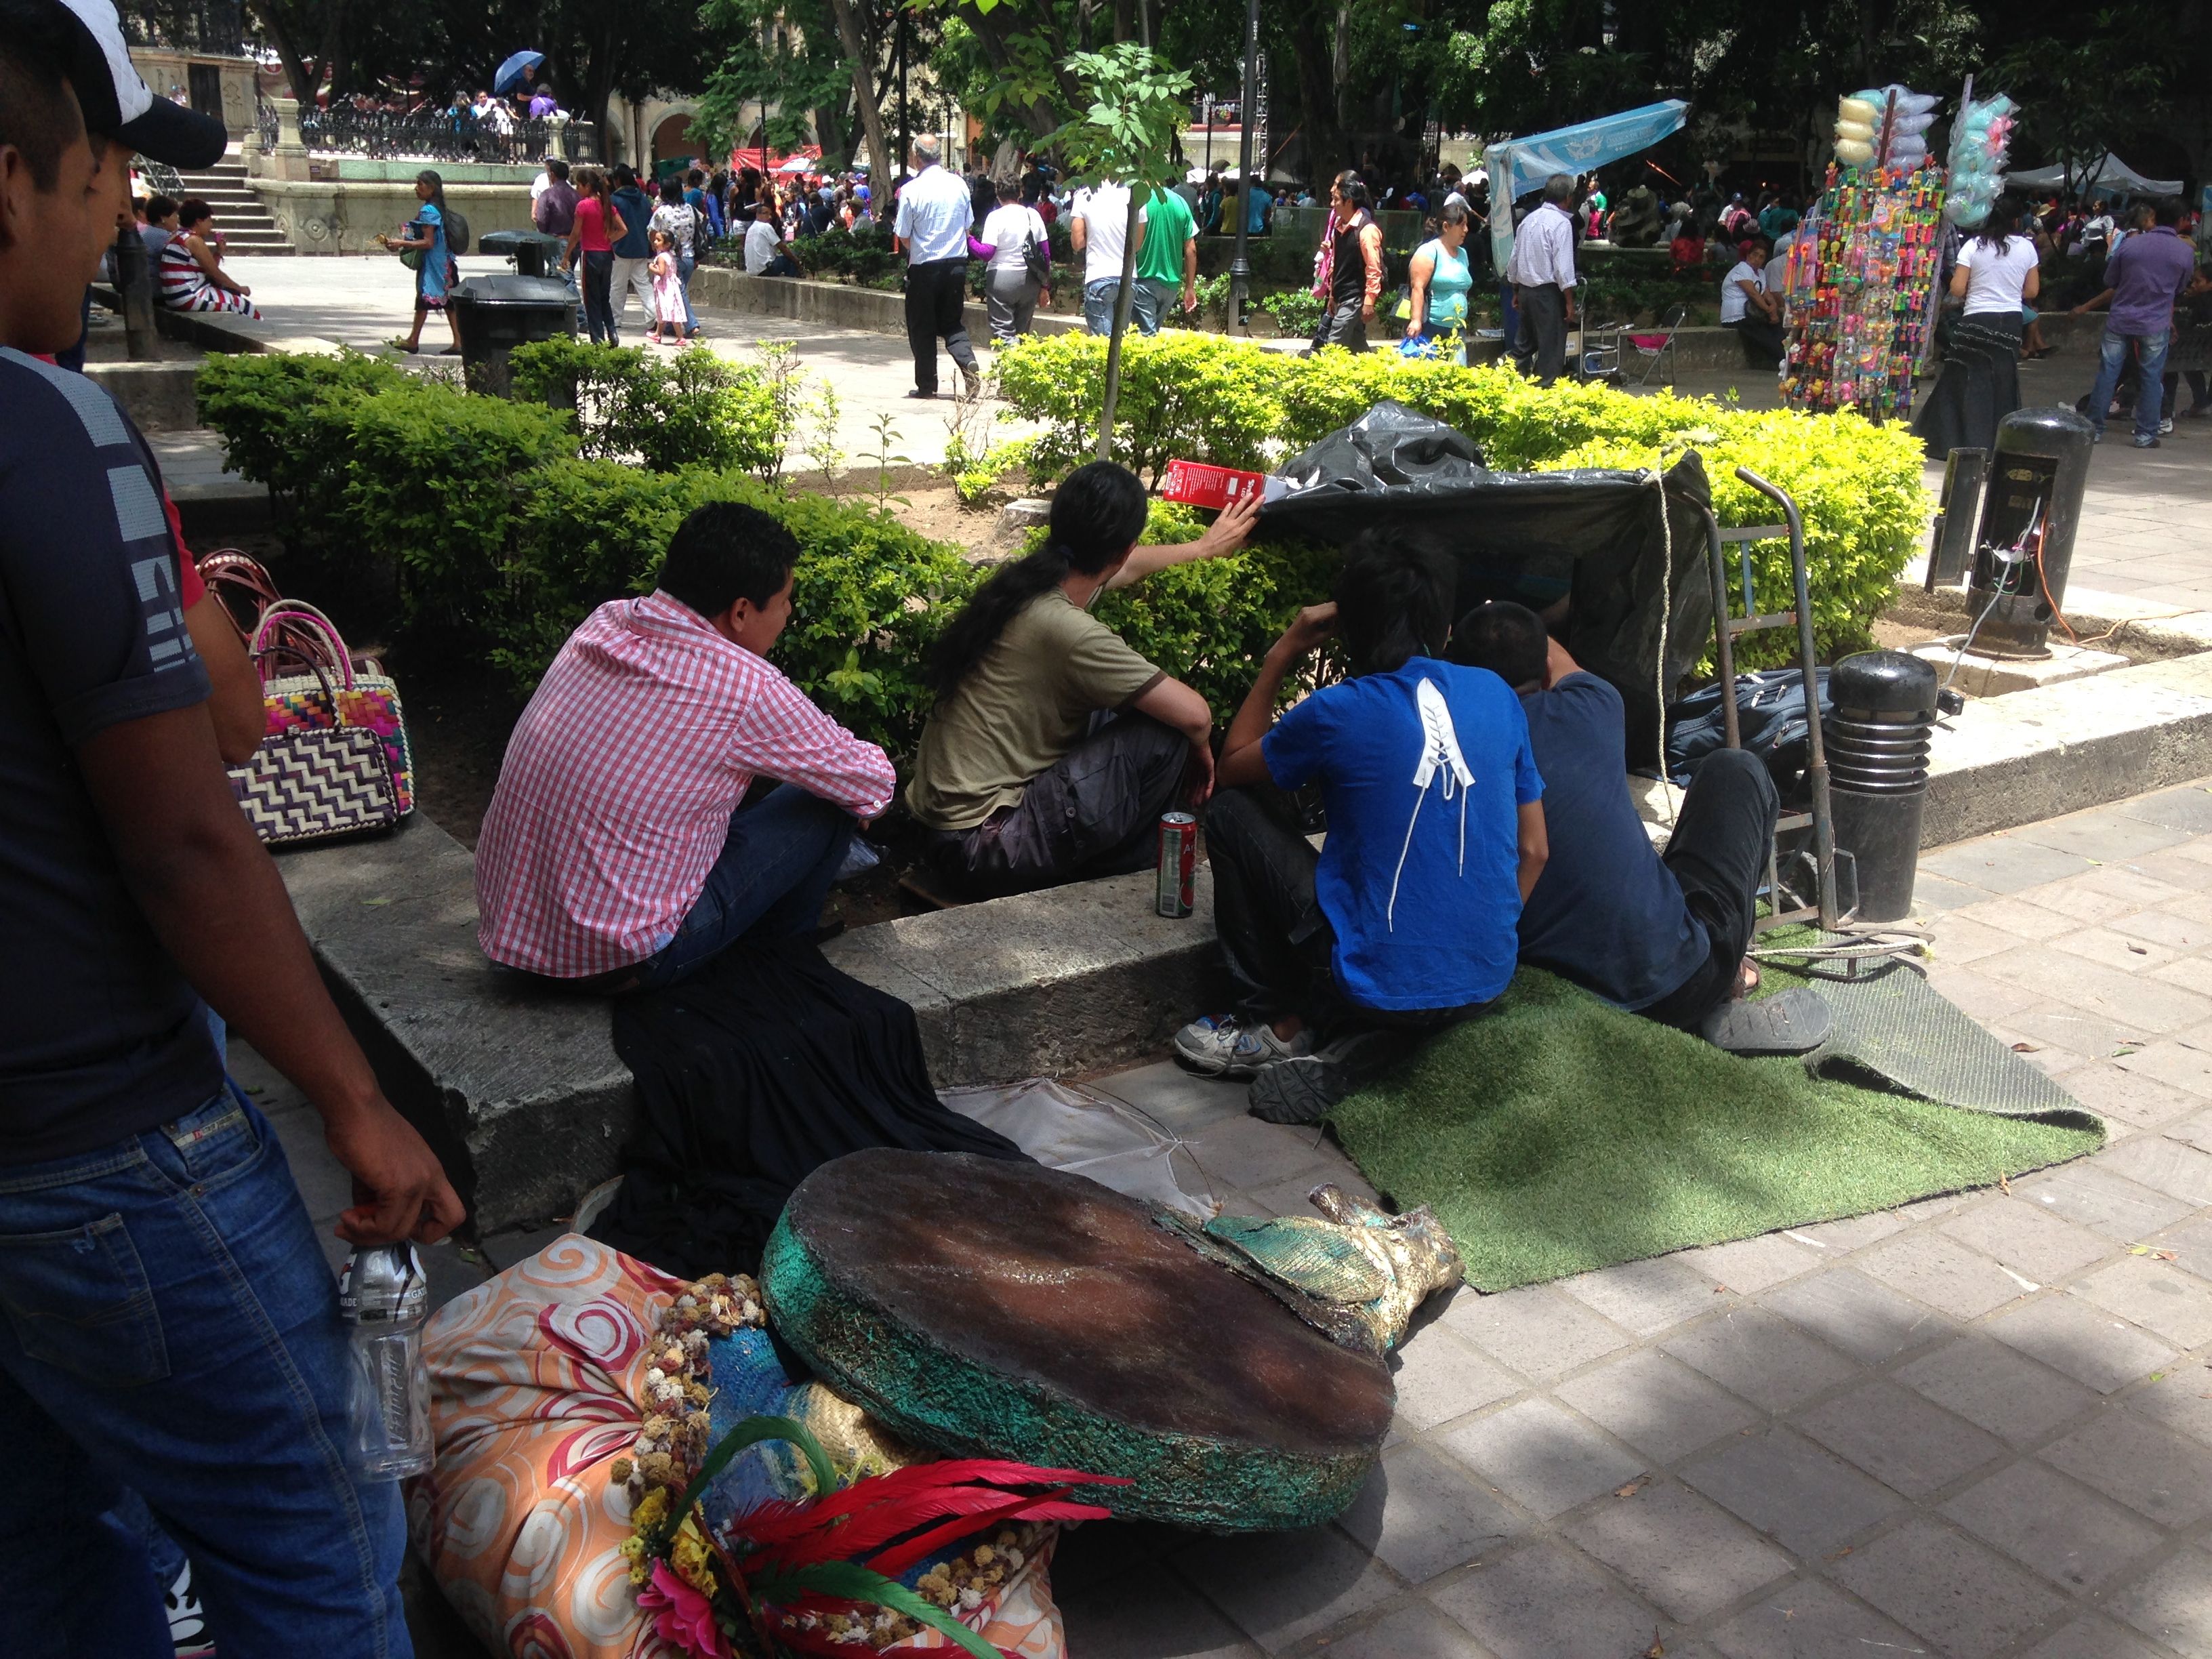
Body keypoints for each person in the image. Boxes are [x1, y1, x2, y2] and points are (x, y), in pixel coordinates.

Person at [0, 8, 466, 1655]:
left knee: (46, 1544)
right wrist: (357, 1101)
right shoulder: (44, 427)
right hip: (103, 1141)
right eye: (105, 179)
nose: (120, 221)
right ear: (12, 184)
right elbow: (193, 821)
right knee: (322, 1534)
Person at [1171, 535, 1548, 1124]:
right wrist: (1475, 944)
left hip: (1372, 983)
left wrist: (1284, 652)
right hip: (1487, 980)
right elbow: (1535, 850)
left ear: (1348, 629)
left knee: (1230, 812)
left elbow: (1233, 765)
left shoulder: (1338, 710)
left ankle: (1279, 1025)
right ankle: (1398, 1037)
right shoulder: (1498, 696)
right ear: (1446, 627)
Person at [476, 501, 896, 989]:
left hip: (511, 934)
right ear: (741, 611)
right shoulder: (748, 688)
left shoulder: (605, 621)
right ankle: (781, 957)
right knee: (825, 802)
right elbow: (874, 784)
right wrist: (849, 795)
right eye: (784, 601)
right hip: (622, 962)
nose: (788, 614)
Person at [905, 462, 1259, 899]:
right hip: (983, 848)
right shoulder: (1068, 630)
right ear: (1123, 548)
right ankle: (1119, 878)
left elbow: (1129, 567)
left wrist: (1202, 548)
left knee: (1116, 706)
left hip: (946, 834)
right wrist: (1202, 747)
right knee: (1163, 733)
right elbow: (1196, 715)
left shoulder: (1032, 583)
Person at [1450, 602, 1780, 1037]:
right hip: (1678, 983)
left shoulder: (1448, 755)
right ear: (1544, 670)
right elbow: (1556, 661)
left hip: (1556, 976)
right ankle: (1729, 974)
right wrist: (1506, 614)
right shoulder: (1593, 705)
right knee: (1736, 769)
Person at [1914, 195, 2041, 454]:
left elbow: (1958, 288)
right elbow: (2032, 291)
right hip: (2009, 322)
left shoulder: (1973, 246)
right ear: (2017, 221)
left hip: (1977, 319)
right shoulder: (2027, 248)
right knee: (2002, 382)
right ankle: (1997, 443)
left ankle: (1950, 441)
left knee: (1962, 377)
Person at [2072, 195, 2197, 448]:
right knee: (2151, 377)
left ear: (2155, 216)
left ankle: (2094, 429)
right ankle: (2145, 434)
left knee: (2108, 372)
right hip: (2155, 322)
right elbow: (2180, 287)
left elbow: (2111, 280)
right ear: (2182, 221)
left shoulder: (2130, 245)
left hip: (2121, 318)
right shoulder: (2185, 252)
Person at [893, 134, 981, 400]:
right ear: (940, 156)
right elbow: (968, 226)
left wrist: (920, 248)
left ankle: (927, 385)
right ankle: (967, 361)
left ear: (916, 158)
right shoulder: (959, 184)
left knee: (922, 327)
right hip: (956, 265)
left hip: (924, 267)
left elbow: (903, 235)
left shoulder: (911, 190)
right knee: (952, 323)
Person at [374, 168, 457, 354]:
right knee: (448, 302)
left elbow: (428, 242)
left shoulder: (428, 210)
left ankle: (414, 341)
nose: (416, 188)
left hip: (435, 266)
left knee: (425, 299)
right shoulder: (438, 208)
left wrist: (401, 243)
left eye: (420, 184)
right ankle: (456, 341)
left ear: (432, 188)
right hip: (445, 263)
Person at [1505, 173, 1578, 384]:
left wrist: (1516, 291)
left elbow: (1514, 261)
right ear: (1568, 198)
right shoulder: (1561, 224)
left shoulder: (1528, 220)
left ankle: (1499, 381)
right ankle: (1541, 391)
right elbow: (1563, 270)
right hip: (1547, 295)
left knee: (1523, 346)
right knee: (1551, 349)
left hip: (1526, 292)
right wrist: (1569, 302)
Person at [1309, 169, 1382, 354]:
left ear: (1349, 201)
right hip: (1341, 297)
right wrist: (1332, 296)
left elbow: (1374, 268)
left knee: (1333, 347)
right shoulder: (1338, 227)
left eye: (1336, 200)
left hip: (1354, 298)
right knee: (1358, 348)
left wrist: (1369, 300)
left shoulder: (1367, 230)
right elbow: (1336, 264)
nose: (1332, 204)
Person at [154, 196, 260, 317]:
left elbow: (208, 270)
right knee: (243, 305)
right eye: (209, 220)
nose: (211, 225)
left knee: (231, 293)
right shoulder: (193, 240)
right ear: (199, 221)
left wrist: (219, 252)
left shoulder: (178, 235)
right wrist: (241, 289)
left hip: (175, 296)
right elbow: (215, 273)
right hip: (189, 296)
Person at [1069, 171, 1142, 336]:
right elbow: (1137, 245)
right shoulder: (1136, 193)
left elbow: (1077, 242)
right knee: (1120, 340)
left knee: (1102, 342)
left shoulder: (1085, 193)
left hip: (1098, 275)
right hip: (1128, 277)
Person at [979, 174, 1048, 344]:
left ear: (998, 194)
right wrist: (1045, 286)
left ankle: (1011, 355)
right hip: (1030, 281)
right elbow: (1046, 254)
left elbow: (987, 253)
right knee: (1022, 334)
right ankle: (1020, 359)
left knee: (1003, 332)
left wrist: (968, 240)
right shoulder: (1033, 215)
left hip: (1001, 280)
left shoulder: (995, 217)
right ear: (1020, 193)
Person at [1404, 199, 1474, 362]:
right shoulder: (1428, 252)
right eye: (1462, 225)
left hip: (1457, 329)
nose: (1466, 230)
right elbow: (1418, 288)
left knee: (1457, 374)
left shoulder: (1463, 254)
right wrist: (1416, 320)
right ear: (1446, 227)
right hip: (1431, 328)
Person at [564, 164, 624, 344]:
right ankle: (612, 333)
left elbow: (575, 234)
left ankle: (597, 339)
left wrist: (566, 255)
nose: (577, 189)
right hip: (607, 256)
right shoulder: (607, 205)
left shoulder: (583, 206)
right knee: (604, 297)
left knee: (591, 300)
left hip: (590, 255)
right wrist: (608, 240)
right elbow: (623, 229)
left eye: (579, 185)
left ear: (587, 186)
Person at [1132, 173, 1195, 334]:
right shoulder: (1180, 202)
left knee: (1145, 339)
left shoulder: (1140, 200)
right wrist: (1189, 287)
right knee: (1152, 334)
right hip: (1171, 286)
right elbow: (1191, 249)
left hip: (1144, 279)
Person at [607, 163, 657, 342]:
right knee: (643, 284)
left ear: (618, 180)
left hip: (620, 247)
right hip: (641, 247)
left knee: (617, 286)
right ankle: (654, 317)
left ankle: (615, 320)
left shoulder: (614, 199)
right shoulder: (643, 199)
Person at [650, 175, 700, 338]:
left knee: (679, 292)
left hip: (670, 258)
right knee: (676, 291)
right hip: (690, 256)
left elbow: (652, 231)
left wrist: (655, 248)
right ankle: (672, 326)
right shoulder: (690, 209)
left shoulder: (662, 212)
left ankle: (692, 325)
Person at [1719, 239, 1783, 365]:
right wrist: (1769, 310)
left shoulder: (1760, 273)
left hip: (1753, 314)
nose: (1757, 259)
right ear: (1748, 255)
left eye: (1761, 257)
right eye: (1755, 255)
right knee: (1765, 336)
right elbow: (1753, 293)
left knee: (1777, 327)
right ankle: (1782, 359)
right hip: (1738, 315)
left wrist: (1773, 308)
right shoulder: (1742, 269)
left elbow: (1766, 294)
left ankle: (1787, 357)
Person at [644, 227, 682, 346]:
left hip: (665, 288)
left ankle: (679, 337)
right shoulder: (670, 255)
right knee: (668, 311)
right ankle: (658, 334)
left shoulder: (661, 257)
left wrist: (651, 267)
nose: (655, 242)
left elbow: (661, 272)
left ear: (667, 244)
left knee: (665, 310)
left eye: (659, 240)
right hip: (671, 287)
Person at [743, 197, 799, 276]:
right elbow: (782, 247)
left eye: (770, 214)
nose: (770, 217)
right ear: (757, 215)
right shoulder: (766, 226)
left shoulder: (751, 229)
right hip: (765, 269)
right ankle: (790, 282)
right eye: (766, 213)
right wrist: (796, 260)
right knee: (791, 258)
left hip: (752, 270)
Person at [138, 188, 176, 259]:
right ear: (163, 218)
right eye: (175, 215)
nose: (177, 219)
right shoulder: (165, 237)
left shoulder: (147, 231)